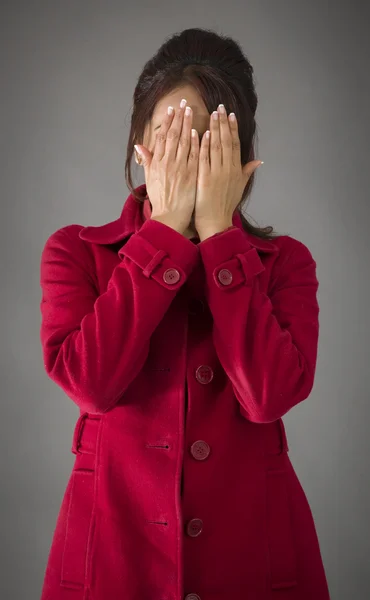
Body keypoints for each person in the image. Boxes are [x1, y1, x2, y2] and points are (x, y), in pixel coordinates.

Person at [39, 27, 330, 600]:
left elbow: (268, 396)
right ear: (139, 147)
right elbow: (92, 385)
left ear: (241, 158)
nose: (187, 158)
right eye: (170, 138)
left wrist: (221, 236)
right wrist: (164, 232)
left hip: (254, 557)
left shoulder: (286, 263)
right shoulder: (75, 251)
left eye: (207, 141)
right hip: (114, 560)